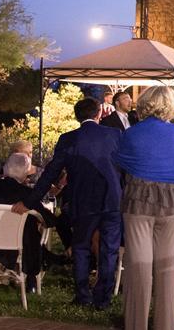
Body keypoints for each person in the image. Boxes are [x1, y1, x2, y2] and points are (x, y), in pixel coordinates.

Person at [16, 98, 123, 309]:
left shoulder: (69, 139)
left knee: (81, 247)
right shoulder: (115, 135)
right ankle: (103, 298)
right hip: (112, 200)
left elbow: (50, 174)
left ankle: (83, 295)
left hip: (83, 201)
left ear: (76, 116)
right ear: (99, 113)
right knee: (109, 249)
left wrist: (31, 200)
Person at [113, 86, 174, 330]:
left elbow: (120, 160)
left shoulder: (131, 133)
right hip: (171, 201)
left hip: (138, 199)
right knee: (167, 266)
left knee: (138, 267)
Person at [0, 153, 56, 293]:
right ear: (26, 172)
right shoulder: (27, 193)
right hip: (21, 244)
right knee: (32, 234)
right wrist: (40, 218)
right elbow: (50, 220)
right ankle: (32, 278)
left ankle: (48, 258)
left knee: (30, 231)